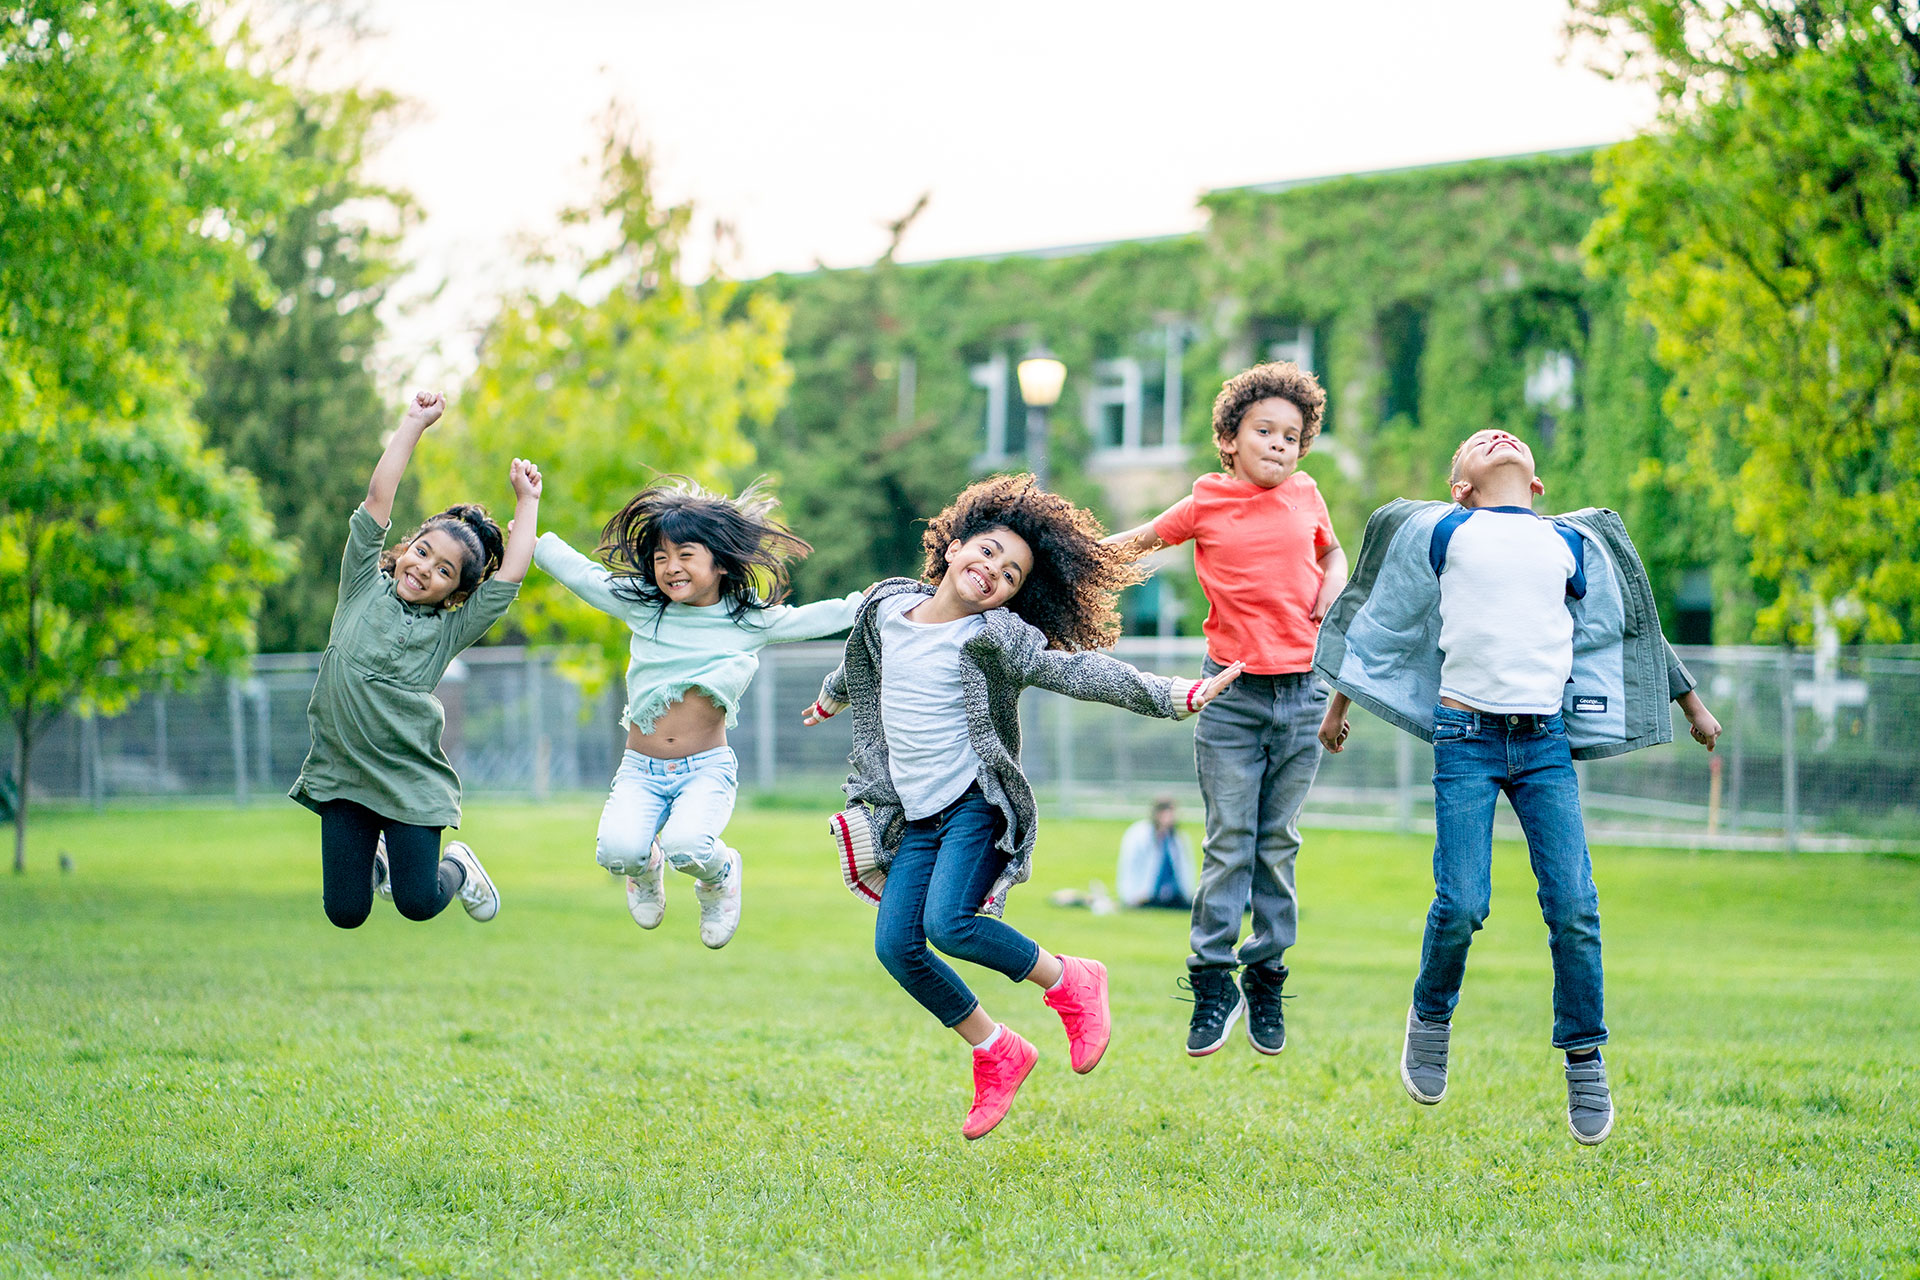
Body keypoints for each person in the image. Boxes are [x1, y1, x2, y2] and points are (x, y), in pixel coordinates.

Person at [1314, 427, 1722, 1145]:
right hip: (1465, 742)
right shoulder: (1449, 531)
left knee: (1574, 907)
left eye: (1507, 439)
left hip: (1544, 746)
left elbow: (1634, 629)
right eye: (1473, 443)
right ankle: (1431, 1016)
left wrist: (1690, 701)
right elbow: (1381, 623)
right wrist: (1339, 703)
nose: (1496, 437)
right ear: (1460, 486)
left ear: (1536, 485)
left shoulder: (1569, 545)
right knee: (1464, 902)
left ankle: (1585, 1056)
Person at [804, 474, 1243, 1140]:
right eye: (986, 554)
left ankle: (1072, 979)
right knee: (898, 946)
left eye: (1011, 575)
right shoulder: (886, 608)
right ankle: (996, 1050)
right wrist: (833, 696)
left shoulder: (997, 637)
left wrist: (1173, 694)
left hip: (977, 805)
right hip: (916, 817)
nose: (993, 573)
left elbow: (1082, 671)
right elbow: (861, 661)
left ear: (1015, 595)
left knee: (950, 925)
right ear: (952, 547)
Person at [1105, 361, 1346, 1058]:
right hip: (1231, 696)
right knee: (1228, 840)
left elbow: (1332, 557)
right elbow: (1140, 542)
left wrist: (1333, 586)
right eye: (1263, 430)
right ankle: (1212, 980)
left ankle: (1265, 973)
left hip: (1302, 695)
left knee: (1278, 843)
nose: (1278, 443)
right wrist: (1064, 557)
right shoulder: (1206, 500)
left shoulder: (1306, 494)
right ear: (1231, 438)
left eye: (1292, 435)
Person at [535, 478, 860, 948]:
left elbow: (822, 616)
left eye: (685, 555)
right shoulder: (644, 608)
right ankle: (644, 868)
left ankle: (720, 876)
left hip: (704, 769)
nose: (670, 567)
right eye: (661, 557)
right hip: (640, 769)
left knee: (687, 847)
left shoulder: (746, 621)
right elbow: (578, 573)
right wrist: (528, 524)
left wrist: (889, 599)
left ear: (719, 562)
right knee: (616, 851)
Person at [290, 391, 541, 930]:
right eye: (423, 551)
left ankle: (459, 866)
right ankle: (374, 857)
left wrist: (527, 502)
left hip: (408, 778)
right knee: (346, 912)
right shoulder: (360, 583)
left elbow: (511, 577)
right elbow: (379, 497)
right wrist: (413, 424)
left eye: (446, 571)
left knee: (418, 902)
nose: (427, 568)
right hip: (344, 770)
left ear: (455, 594)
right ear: (405, 548)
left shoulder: (449, 630)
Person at [1116, 797, 1196, 909]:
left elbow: (1185, 869)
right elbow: (1130, 866)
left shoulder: (1177, 838)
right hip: (1146, 894)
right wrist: (1131, 895)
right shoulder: (1139, 835)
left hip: (1173, 893)